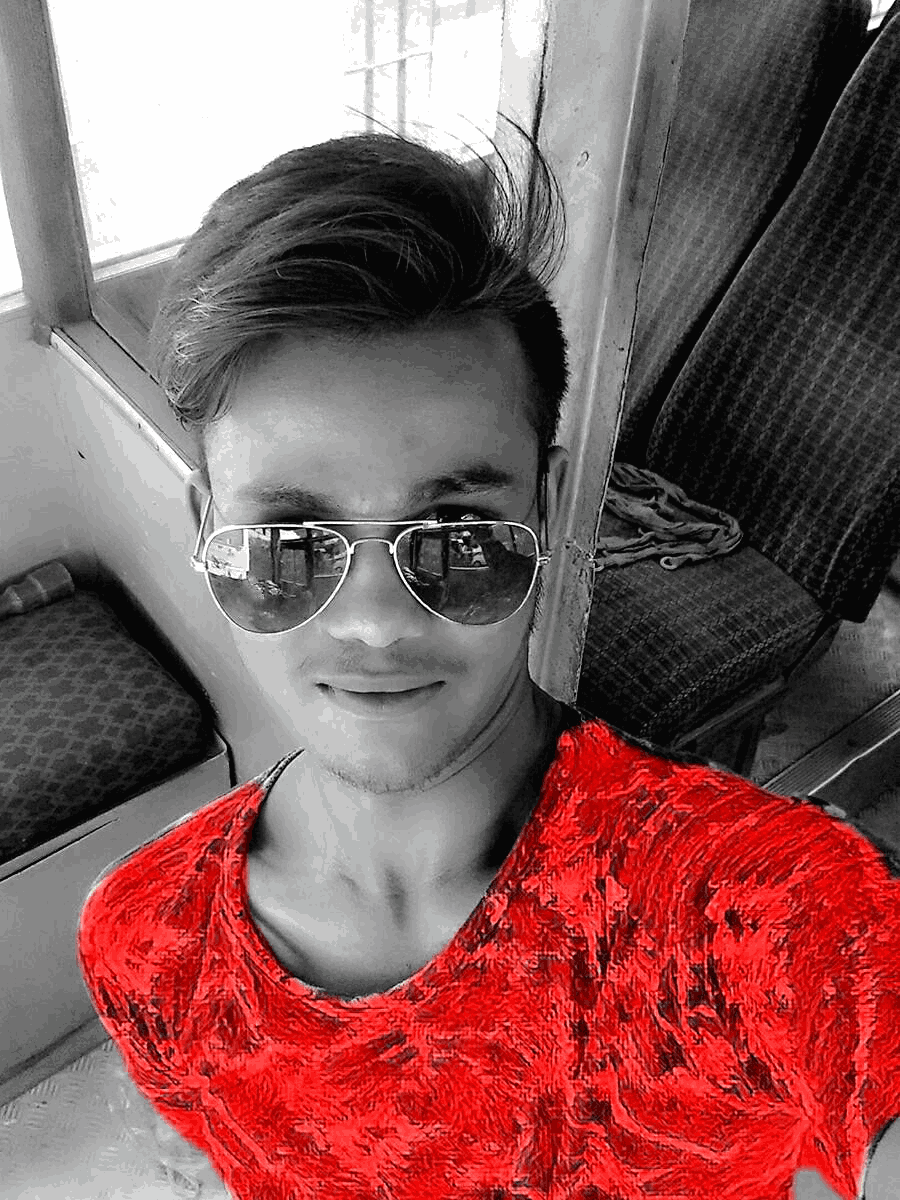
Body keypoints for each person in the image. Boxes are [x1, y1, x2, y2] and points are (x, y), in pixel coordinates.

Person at [77, 124, 900, 1200]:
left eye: (458, 531)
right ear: (208, 533)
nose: (376, 624)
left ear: (546, 510)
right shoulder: (144, 940)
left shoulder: (765, 909)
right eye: (290, 539)